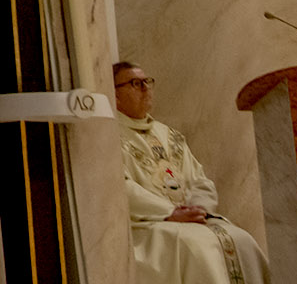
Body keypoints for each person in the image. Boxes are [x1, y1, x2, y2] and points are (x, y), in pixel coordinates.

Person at [114, 61, 270, 284]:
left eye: (147, 82)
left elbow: (200, 180)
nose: (146, 88)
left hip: (186, 221)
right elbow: (121, 187)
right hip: (147, 223)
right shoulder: (110, 136)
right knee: (197, 247)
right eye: (135, 83)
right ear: (115, 95)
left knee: (241, 240)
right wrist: (170, 212)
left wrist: (199, 208)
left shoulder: (169, 135)